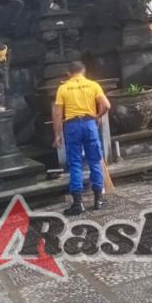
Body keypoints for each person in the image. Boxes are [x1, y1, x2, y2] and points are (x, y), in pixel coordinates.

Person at [53, 61, 111, 215]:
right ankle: (98, 200)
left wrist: (58, 134)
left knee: (75, 164)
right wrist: (98, 116)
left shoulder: (63, 88)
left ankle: (78, 203)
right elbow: (106, 105)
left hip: (72, 127)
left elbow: (58, 114)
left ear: (68, 73)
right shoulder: (93, 85)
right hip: (89, 124)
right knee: (95, 161)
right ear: (84, 71)